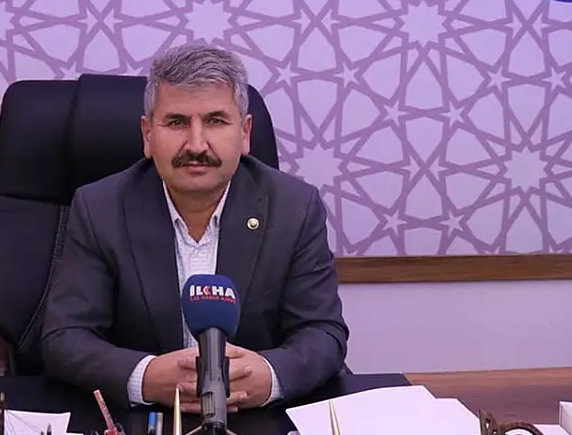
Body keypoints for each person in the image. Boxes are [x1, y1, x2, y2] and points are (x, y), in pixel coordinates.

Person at [40, 43, 349, 411]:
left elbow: (323, 332)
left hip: (256, 421)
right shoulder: (100, 208)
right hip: (143, 425)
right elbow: (65, 337)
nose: (197, 144)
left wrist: (270, 376)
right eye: (177, 122)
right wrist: (145, 377)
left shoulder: (294, 208)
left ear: (245, 133)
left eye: (216, 121)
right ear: (148, 135)